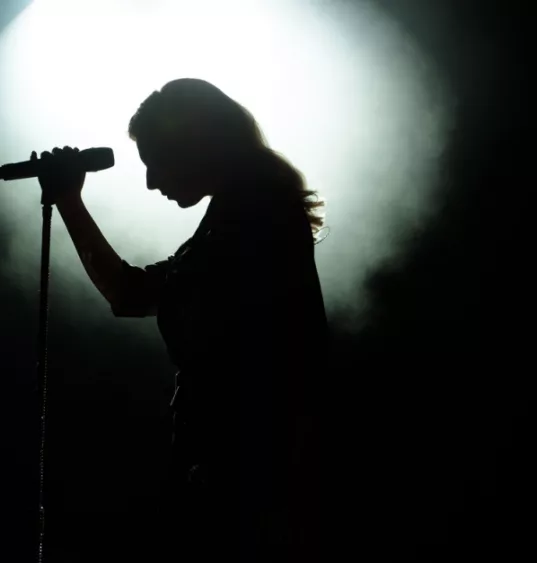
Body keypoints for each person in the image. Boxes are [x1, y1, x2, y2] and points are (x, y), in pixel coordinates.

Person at [35, 78, 329, 562]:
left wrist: (69, 200)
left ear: (195, 145)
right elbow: (130, 293)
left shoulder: (251, 221)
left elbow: (130, 294)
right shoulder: (243, 215)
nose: (151, 181)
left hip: (244, 480)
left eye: (155, 160)